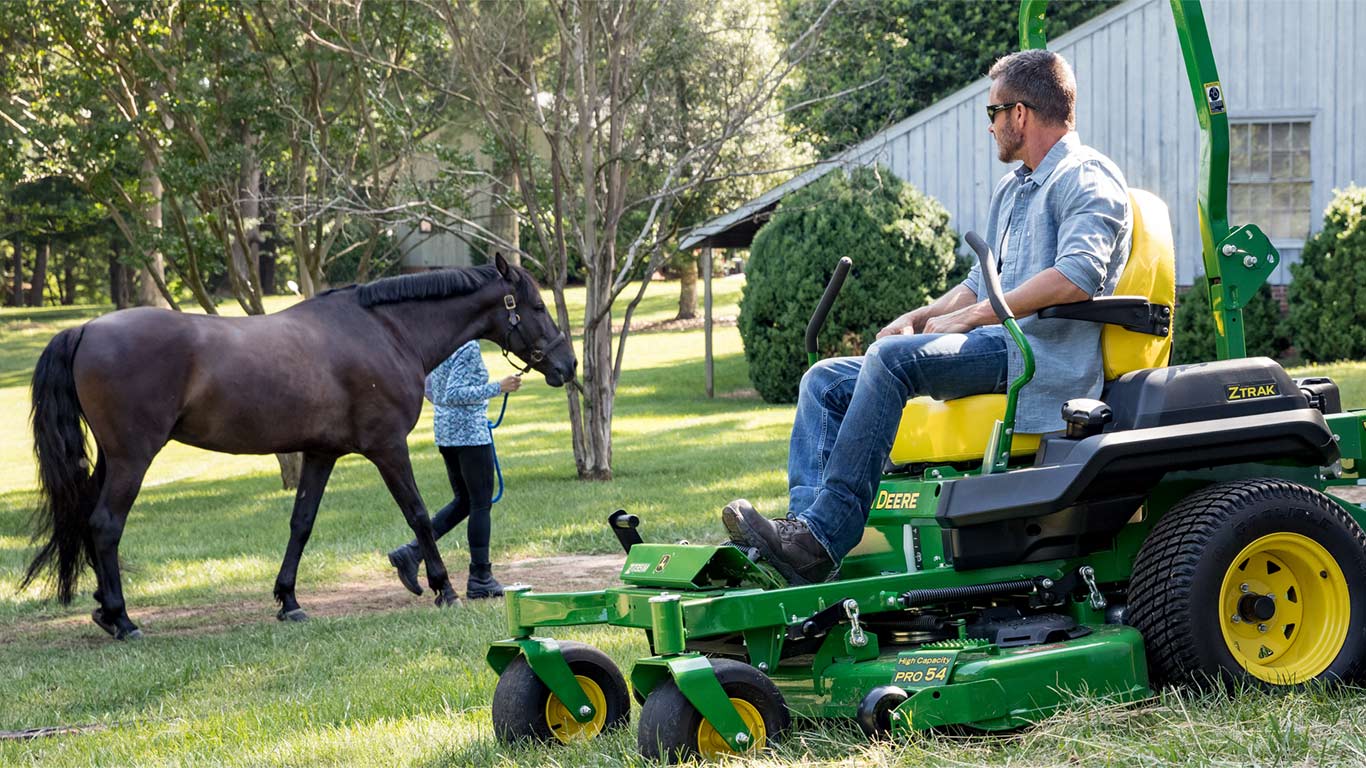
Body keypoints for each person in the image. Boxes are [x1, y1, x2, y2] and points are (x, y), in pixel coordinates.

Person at [722, 49, 1133, 586]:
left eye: (992, 113)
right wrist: (919, 318)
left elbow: (1077, 275)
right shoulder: (1015, 189)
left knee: (892, 363)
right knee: (824, 380)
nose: (989, 127)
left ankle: (821, 538)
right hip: (998, 342)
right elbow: (977, 281)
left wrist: (974, 318)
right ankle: (802, 538)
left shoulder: (1085, 177)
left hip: (1034, 356)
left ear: (1021, 114)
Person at [388, 340, 521, 599]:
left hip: (446, 433)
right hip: (470, 435)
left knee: (463, 502)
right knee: (481, 504)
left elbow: (429, 388)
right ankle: (480, 577)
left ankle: (413, 552)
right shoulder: (467, 347)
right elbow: (455, 393)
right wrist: (499, 387)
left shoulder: (441, 344)